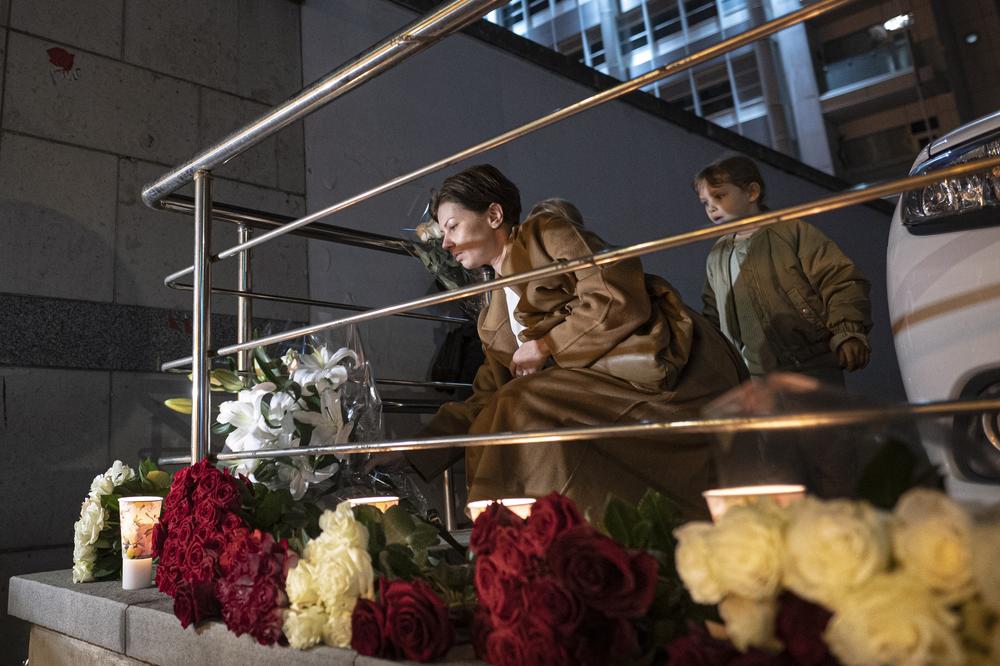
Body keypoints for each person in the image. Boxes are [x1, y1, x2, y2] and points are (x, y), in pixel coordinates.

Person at [409, 164, 747, 520]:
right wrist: (412, 452)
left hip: (651, 377)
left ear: (494, 215)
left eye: (453, 227)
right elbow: (486, 397)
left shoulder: (545, 233)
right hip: (581, 398)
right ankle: (524, 541)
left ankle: (515, 538)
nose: (446, 243)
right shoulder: (491, 316)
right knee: (498, 415)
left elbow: (615, 291)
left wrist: (546, 345)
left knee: (519, 402)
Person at [694, 155, 872, 386]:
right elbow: (712, 313)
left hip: (809, 364)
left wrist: (848, 331)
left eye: (719, 196)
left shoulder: (790, 232)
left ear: (751, 193)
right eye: (705, 202)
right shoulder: (717, 255)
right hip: (751, 377)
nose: (712, 207)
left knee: (821, 422)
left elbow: (838, 278)